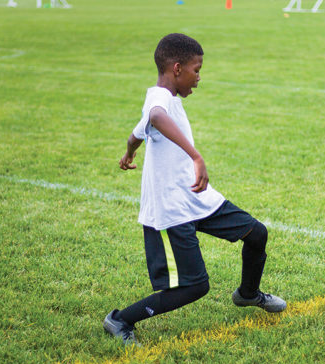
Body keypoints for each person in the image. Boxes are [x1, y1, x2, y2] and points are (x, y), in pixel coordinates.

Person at [103, 33, 286, 346]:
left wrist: (129, 151)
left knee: (256, 234)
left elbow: (137, 133)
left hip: (196, 197)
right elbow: (155, 117)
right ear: (177, 69)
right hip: (171, 210)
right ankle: (120, 319)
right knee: (194, 286)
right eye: (196, 69)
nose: (199, 78)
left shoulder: (167, 99)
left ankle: (247, 294)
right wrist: (196, 155)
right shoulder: (158, 100)